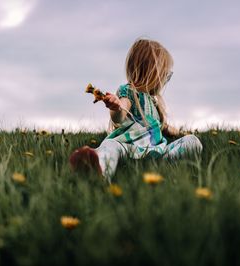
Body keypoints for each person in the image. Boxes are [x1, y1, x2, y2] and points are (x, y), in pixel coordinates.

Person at [70, 38, 203, 183]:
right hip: (128, 148)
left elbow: (164, 127)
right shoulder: (128, 92)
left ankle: (161, 165)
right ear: (152, 72)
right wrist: (115, 107)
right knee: (110, 146)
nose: (166, 80)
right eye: (165, 75)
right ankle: (99, 172)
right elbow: (119, 115)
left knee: (193, 141)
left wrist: (183, 134)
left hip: (157, 152)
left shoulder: (154, 102)